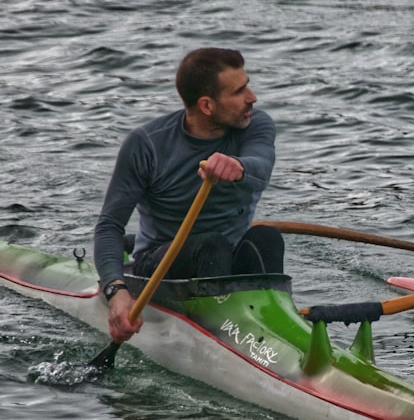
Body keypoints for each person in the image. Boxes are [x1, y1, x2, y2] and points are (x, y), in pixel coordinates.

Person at [93, 47, 283, 344]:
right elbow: (109, 227)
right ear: (207, 106)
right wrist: (115, 291)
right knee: (211, 246)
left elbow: (262, 167)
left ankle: (278, 332)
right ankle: (218, 343)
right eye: (239, 91)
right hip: (159, 267)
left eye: (248, 85)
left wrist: (239, 168)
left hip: (225, 259)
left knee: (266, 238)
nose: (252, 98)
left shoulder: (255, 124)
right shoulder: (147, 145)